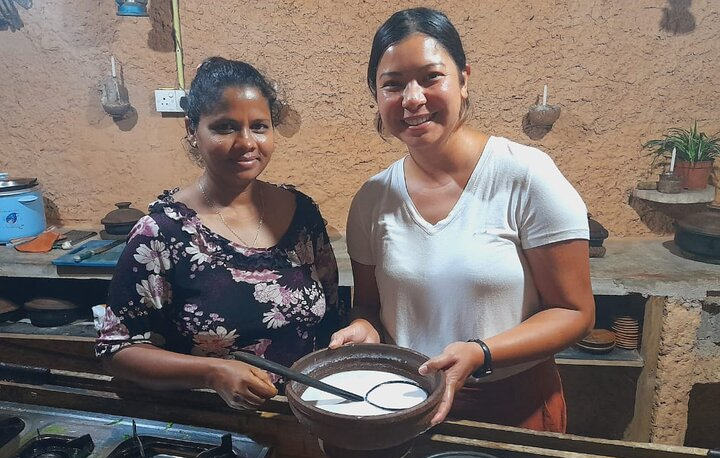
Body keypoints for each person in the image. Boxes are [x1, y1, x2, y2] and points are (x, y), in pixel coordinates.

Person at [329, 8, 594, 432]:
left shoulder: (525, 175)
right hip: (405, 398)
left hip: (511, 402)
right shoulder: (372, 199)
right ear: (377, 98)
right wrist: (363, 327)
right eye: (392, 85)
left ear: (464, 80)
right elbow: (370, 306)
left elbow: (574, 312)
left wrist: (480, 352)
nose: (412, 98)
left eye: (431, 77)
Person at [96, 57, 340, 411]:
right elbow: (116, 349)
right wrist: (211, 372)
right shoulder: (161, 234)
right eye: (225, 127)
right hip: (218, 426)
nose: (246, 142)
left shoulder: (301, 213)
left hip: (306, 413)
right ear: (193, 130)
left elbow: (331, 312)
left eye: (259, 126)